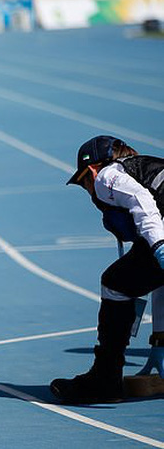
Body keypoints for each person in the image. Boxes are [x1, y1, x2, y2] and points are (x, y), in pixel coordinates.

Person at [50, 135, 164, 404]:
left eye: (82, 183)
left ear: (90, 171)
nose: (88, 191)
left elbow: (140, 201)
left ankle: (104, 379)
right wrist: (159, 341)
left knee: (114, 283)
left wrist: (160, 246)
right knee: (128, 277)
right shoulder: (145, 168)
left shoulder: (106, 177)